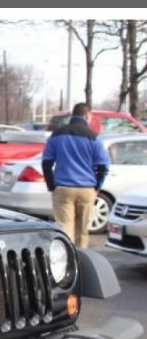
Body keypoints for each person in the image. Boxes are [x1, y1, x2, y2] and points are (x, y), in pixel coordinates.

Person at [41, 103, 110, 248]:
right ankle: (81, 260)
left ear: (73, 115)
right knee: (83, 230)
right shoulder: (94, 137)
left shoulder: (56, 135)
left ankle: (67, 262)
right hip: (87, 189)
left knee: (65, 228)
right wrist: (97, 186)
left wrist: (51, 185)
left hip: (63, 188)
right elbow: (102, 167)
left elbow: (46, 163)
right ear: (86, 115)